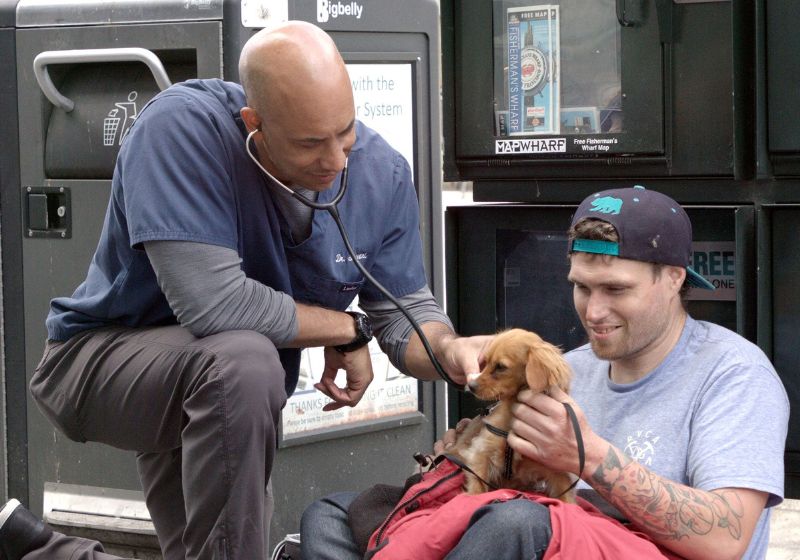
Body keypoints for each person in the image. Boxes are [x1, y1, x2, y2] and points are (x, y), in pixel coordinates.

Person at [0, 21, 491, 560]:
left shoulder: (383, 175)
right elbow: (216, 305)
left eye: (345, 132)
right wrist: (349, 329)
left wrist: (451, 350)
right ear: (253, 123)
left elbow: (405, 315)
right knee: (246, 359)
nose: (335, 160)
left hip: (221, 397)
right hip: (99, 362)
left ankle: (40, 550)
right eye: (309, 143)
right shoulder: (182, 128)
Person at [301, 186, 789, 560]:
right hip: (543, 538)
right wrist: (466, 461)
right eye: (582, 287)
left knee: (514, 522)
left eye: (616, 289)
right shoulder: (566, 369)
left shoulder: (733, 374)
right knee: (335, 515)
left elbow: (728, 539)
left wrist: (590, 457)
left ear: (674, 278)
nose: (593, 311)